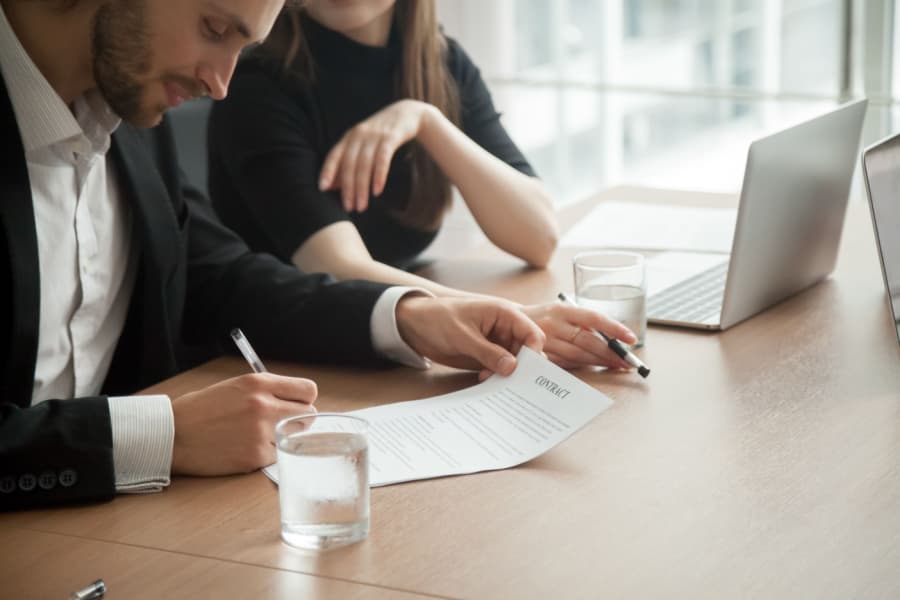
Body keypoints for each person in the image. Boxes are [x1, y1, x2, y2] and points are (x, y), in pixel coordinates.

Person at [0, 0, 634, 512]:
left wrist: (409, 316)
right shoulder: (194, 91)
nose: (220, 85)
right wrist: (163, 435)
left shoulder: (129, 122)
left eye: (238, 47)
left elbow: (221, 276)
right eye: (214, 28)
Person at [206, 0, 635, 368]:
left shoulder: (441, 62)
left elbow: (537, 237)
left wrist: (427, 121)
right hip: (283, 358)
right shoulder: (258, 85)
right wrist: (512, 317)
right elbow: (338, 266)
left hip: (389, 349)